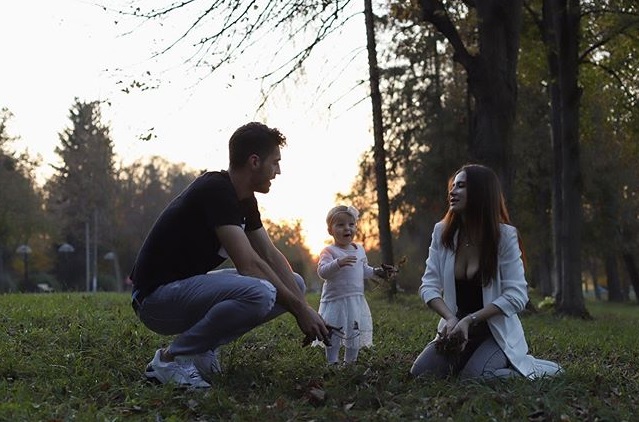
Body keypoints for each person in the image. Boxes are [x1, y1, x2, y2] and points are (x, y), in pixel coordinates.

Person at [129, 122, 330, 388]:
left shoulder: (244, 199)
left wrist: (303, 306)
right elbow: (249, 265)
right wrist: (299, 310)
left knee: (297, 284)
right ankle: (170, 360)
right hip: (155, 300)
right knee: (260, 292)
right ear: (254, 161)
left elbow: (269, 254)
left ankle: (202, 351)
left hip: (182, 292)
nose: (278, 171)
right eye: (275, 162)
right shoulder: (216, 189)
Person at [410, 164, 562, 380]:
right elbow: (428, 286)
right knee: (421, 374)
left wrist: (470, 320)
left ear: (481, 192)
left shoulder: (505, 236)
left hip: (495, 333)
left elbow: (517, 296)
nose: (452, 191)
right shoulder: (442, 233)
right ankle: (469, 359)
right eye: (453, 186)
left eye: (461, 186)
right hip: (456, 330)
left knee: (474, 379)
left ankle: (536, 371)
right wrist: (451, 318)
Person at [315, 205, 394, 365]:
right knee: (334, 331)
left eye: (351, 224)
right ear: (330, 230)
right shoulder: (329, 251)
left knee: (354, 331)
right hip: (336, 300)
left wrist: (378, 272)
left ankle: (350, 361)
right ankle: (332, 361)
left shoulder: (359, 250)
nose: (347, 228)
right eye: (340, 225)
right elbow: (322, 272)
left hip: (355, 299)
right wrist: (338, 263)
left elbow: (363, 270)